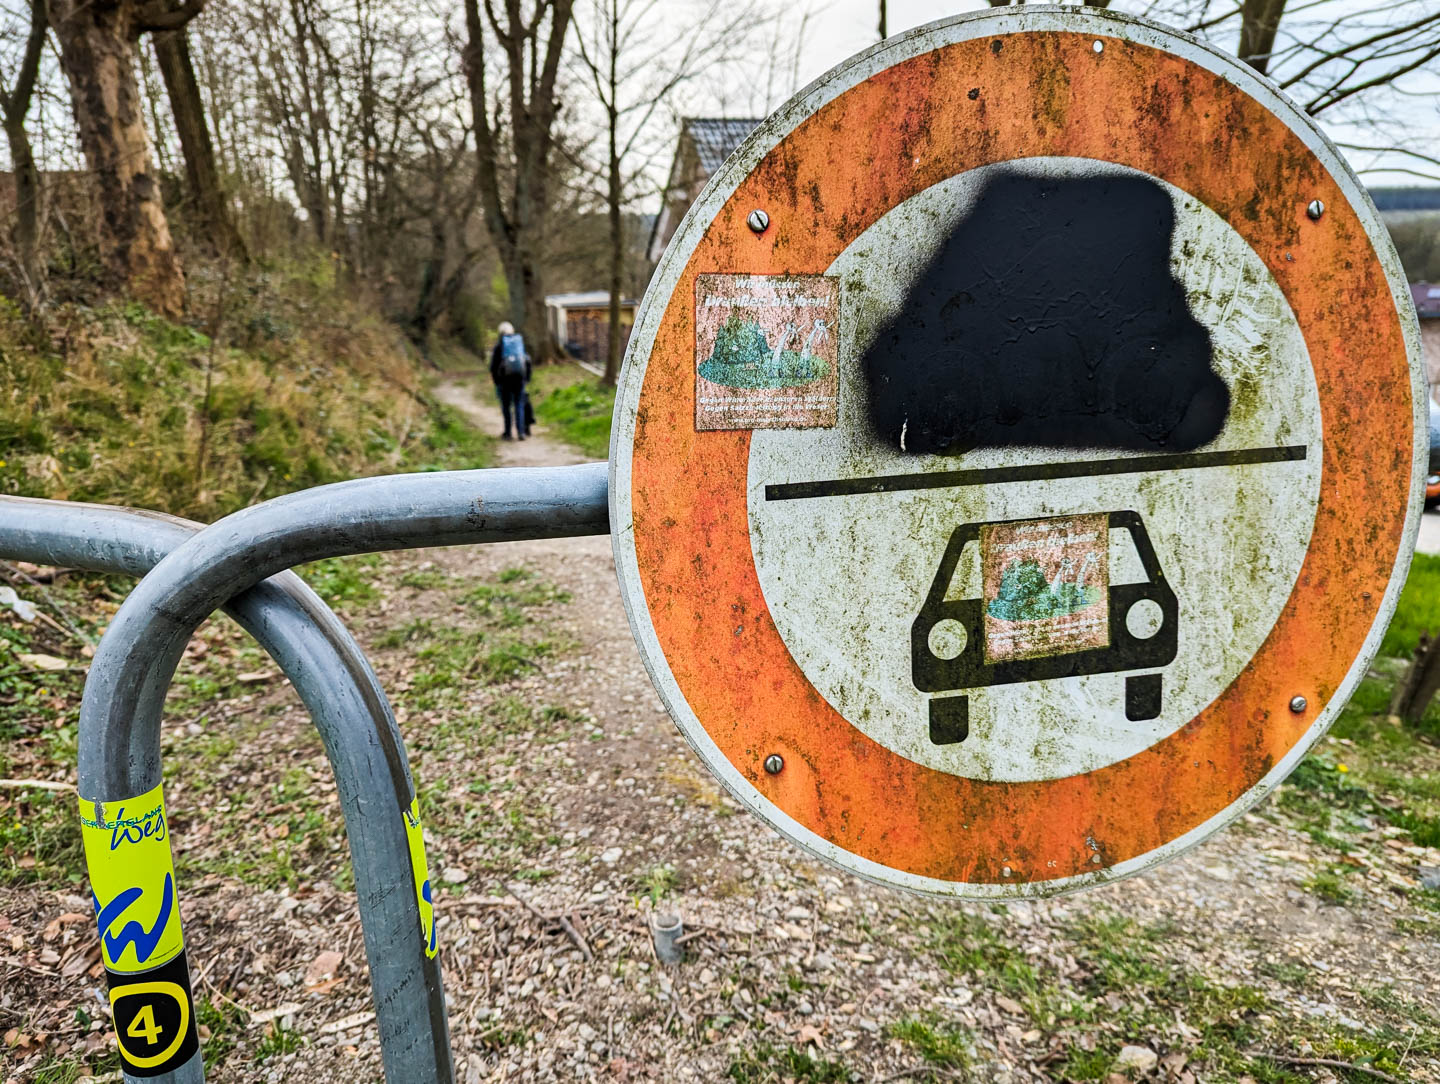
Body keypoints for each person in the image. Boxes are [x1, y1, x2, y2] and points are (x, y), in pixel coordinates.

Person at [490, 321, 532, 440]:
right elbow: (528, 361)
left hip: (504, 382)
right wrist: (526, 378)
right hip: (519, 380)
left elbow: (493, 367)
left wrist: (496, 381)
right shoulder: (518, 344)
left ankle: (508, 433)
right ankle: (521, 433)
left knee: (506, 407)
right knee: (519, 404)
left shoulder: (499, 346)